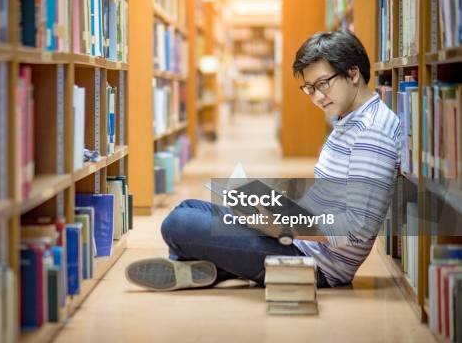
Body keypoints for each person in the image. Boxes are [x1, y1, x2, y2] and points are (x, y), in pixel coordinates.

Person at [125, 29, 402, 291]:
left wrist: (283, 226)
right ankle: (212, 267)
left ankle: (207, 266)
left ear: (353, 73)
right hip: (302, 239)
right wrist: (281, 206)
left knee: (179, 224)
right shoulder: (350, 120)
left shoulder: (371, 134)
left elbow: (355, 228)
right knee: (187, 208)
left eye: (322, 84)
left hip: (316, 262)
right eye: (309, 88)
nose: (317, 97)